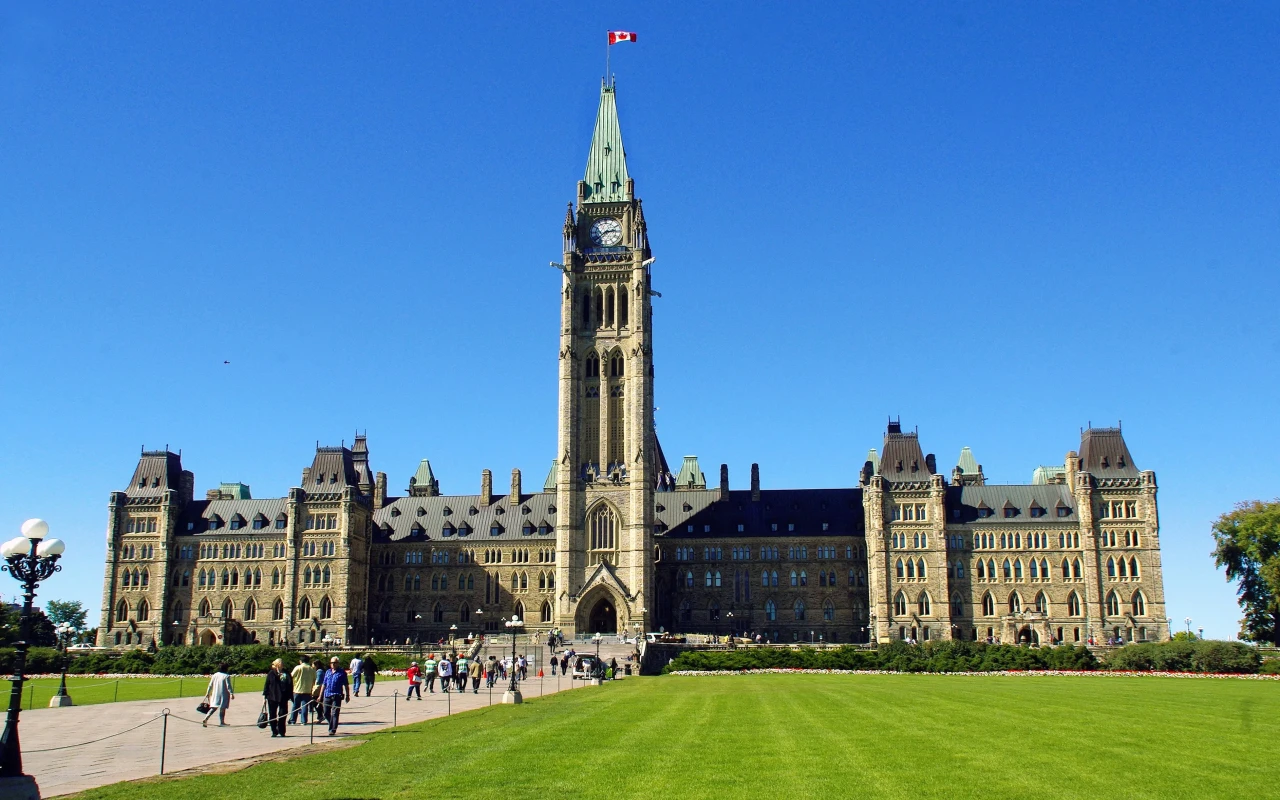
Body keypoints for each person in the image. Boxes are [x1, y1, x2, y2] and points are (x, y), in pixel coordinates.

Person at [320, 656, 351, 736]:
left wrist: (347, 695)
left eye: (334, 663)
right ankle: (332, 723)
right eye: (331, 663)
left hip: (336, 695)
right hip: (327, 694)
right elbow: (324, 684)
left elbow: (346, 685)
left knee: (335, 713)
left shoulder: (342, 673)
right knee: (326, 712)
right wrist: (320, 695)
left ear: (338, 663)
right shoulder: (328, 672)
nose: (333, 664)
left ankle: (332, 729)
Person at [262, 658, 290, 737]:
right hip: (272, 697)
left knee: (282, 714)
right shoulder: (271, 673)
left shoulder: (286, 673)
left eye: (282, 663)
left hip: (283, 697)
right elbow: (267, 685)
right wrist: (264, 697)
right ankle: (274, 731)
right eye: (280, 663)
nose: (282, 664)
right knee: (272, 715)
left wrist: (290, 695)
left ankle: (282, 731)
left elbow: (290, 684)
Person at [289, 655, 316, 725]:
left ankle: (293, 720)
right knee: (305, 706)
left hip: (297, 689)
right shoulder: (311, 668)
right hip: (307, 690)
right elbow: (314, 679)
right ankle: (303, 721)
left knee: (295, 705)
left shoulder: (298, 667)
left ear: (301, 661)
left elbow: (291, 675)